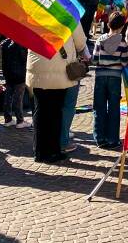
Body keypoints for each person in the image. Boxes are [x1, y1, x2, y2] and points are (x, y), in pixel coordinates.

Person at [27, 25, 89, 164]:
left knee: (40, 110)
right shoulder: (67, 12)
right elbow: (80, 42)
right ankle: (52, 151)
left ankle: (39, 151)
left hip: (36, 64)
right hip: (58, 67)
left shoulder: (34, 12)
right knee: (55, 111)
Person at [91, 12, 128, 148]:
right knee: (114, 108)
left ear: (108, 24)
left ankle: (99, 137)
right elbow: (124, 62)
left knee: (99, 107)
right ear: (122, 26)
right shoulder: (123, 43)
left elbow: (94, 60)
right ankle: (113, 139)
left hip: (100, 76)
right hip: (115, 77)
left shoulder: (100, 39)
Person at [0, 36, 30, 129]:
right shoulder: (22, 44)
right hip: (20, 74)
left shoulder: (4, 44)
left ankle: (8, 119)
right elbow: (25, 59)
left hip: (8, 74)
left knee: (8, 97)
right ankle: (20, 120)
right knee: (18, 98)